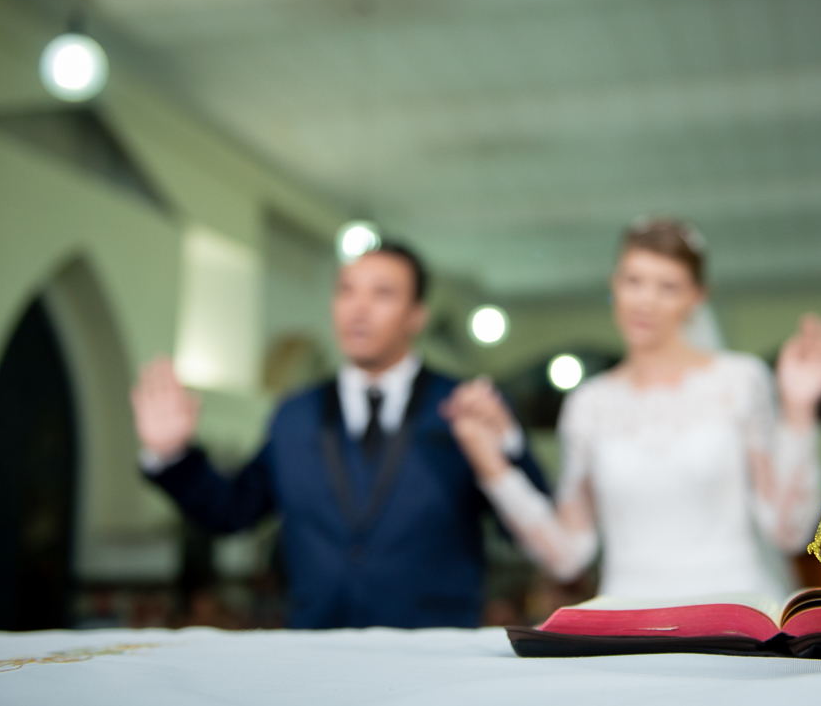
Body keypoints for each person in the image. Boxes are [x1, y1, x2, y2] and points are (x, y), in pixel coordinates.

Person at [132, 241, 547, 629]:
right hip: (319, 639)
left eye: (382, 293)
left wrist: (508, 444)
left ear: (416, 314)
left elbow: (529, 527)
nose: (358, 309)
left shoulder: (465, 408)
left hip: (434, 642)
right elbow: (234, 510)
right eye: (346, 291)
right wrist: (173, 457)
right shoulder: (294, 414)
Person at [443, 219, 821, 603]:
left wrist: (799, 409)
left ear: (696, 297)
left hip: (736, 610)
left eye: (668, 287)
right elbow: (567, 556)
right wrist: (492, 467)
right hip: (630, 619)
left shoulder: (740, 381)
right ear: (614, 286)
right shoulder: (589, 404)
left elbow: (788, 531)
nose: (645, 301)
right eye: (633, 281)